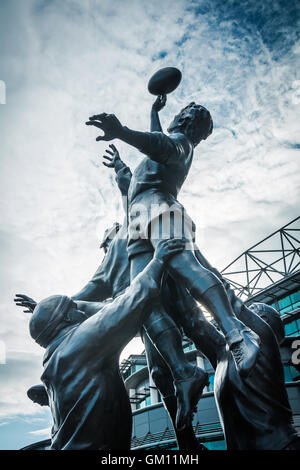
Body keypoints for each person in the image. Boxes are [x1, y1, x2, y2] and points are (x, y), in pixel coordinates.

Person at [86, 95, 260, 386]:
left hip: (159, 206)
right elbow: (157, 139)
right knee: (144, 297)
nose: (176, 114)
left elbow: (159, 142)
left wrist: (122, 132)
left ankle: (237, 332)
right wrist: (151, 113)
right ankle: (181, 373)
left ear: (186, 120)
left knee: (185, 266)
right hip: (139, 222)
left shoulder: (181, 144)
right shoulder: (171, 142)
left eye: (181, 112)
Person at [17, 238, 186, 450]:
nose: (81, 310)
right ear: (67, 318)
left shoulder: (53, 363)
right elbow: (133, 301)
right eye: (74, 308)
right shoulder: (83, 340)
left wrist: (44, 312)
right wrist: (158, 259)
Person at [175, 290, 300, 450]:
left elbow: (227, 301)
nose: (247, 311)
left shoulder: (264, 338)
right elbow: (192, 322)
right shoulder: (223, 353)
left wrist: (181, 266)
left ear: (263, 321)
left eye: (252, 310)